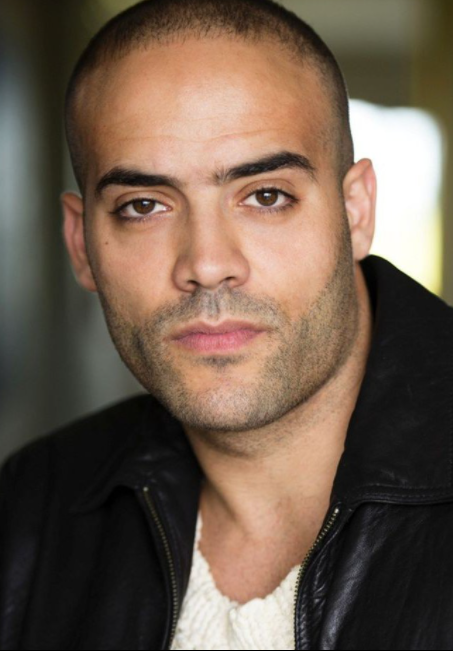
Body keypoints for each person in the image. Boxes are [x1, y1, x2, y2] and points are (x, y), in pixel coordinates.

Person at [1, 0, 453, 649]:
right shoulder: (31, 510)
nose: (207, 264)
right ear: (81, 244)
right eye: (144, 205)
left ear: (355, 212)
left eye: (266, 196)